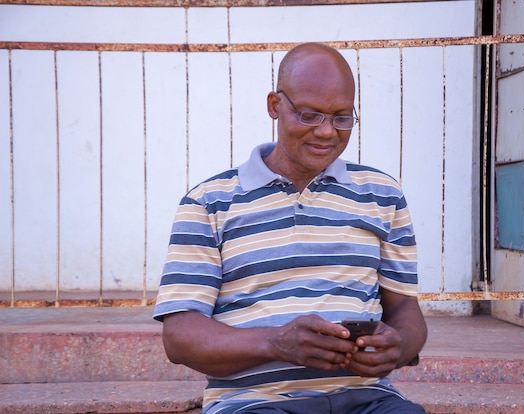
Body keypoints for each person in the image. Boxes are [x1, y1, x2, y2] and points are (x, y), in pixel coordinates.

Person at [153, 42, 428, 414]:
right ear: (274, 106)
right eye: (310, 115)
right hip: (253, 404)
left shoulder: (382, 194)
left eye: (342, 117)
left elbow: (405, 310)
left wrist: (398, 345)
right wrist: (276, 343)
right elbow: (180, 337)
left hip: (370, 400)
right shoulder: (208, 203)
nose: (327, 132)